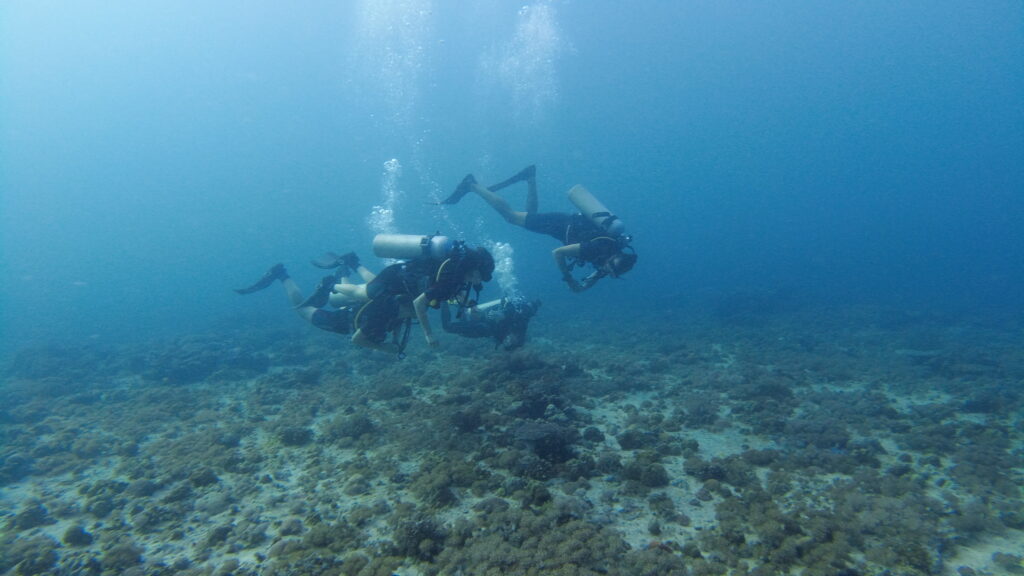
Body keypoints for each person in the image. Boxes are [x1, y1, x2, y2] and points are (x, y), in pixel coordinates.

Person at [439, 165, 637, 292]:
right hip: (560, 225)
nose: (606, 271)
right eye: (609, 269)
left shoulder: (610, 255)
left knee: (529, 215)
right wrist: (568, 279)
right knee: (511, 217)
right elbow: (558, 253)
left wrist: (583, 286)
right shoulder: (597, 250)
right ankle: (472, 185)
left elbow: (597, 274)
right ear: (613, 260)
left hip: (564, 227)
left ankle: (529, 177)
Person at [331, 244, 496, 354]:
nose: (479, 282)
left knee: (373, 284)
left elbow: (455, 293)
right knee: (362, 293)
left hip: (401, 277)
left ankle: (353, 262)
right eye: (481, 277)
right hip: (396, 278)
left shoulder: (458, 274)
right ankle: (332, 285)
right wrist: (429, 334)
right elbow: (419, 304)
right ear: (474, 271)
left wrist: (471, 305)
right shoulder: (450, 277)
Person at [233, 255, 368, 336]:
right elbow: (359, 340)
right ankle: (282, 275)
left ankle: (343, 273)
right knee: (302, 309)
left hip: (362, 307)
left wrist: (356, 265)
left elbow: (370, 289)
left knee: (353, 297)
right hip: (346, 321)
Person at [441, 296, 541, 350]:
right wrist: (502, 315)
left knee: (463, 325)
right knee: (448, 327)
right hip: (483, 328)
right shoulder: (519, 316)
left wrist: (508, 344)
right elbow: (509, 312)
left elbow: (519, 340)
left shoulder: (521, 320)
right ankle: (443, 300)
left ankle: (458, 304)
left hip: (483, 325)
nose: (525, 311)